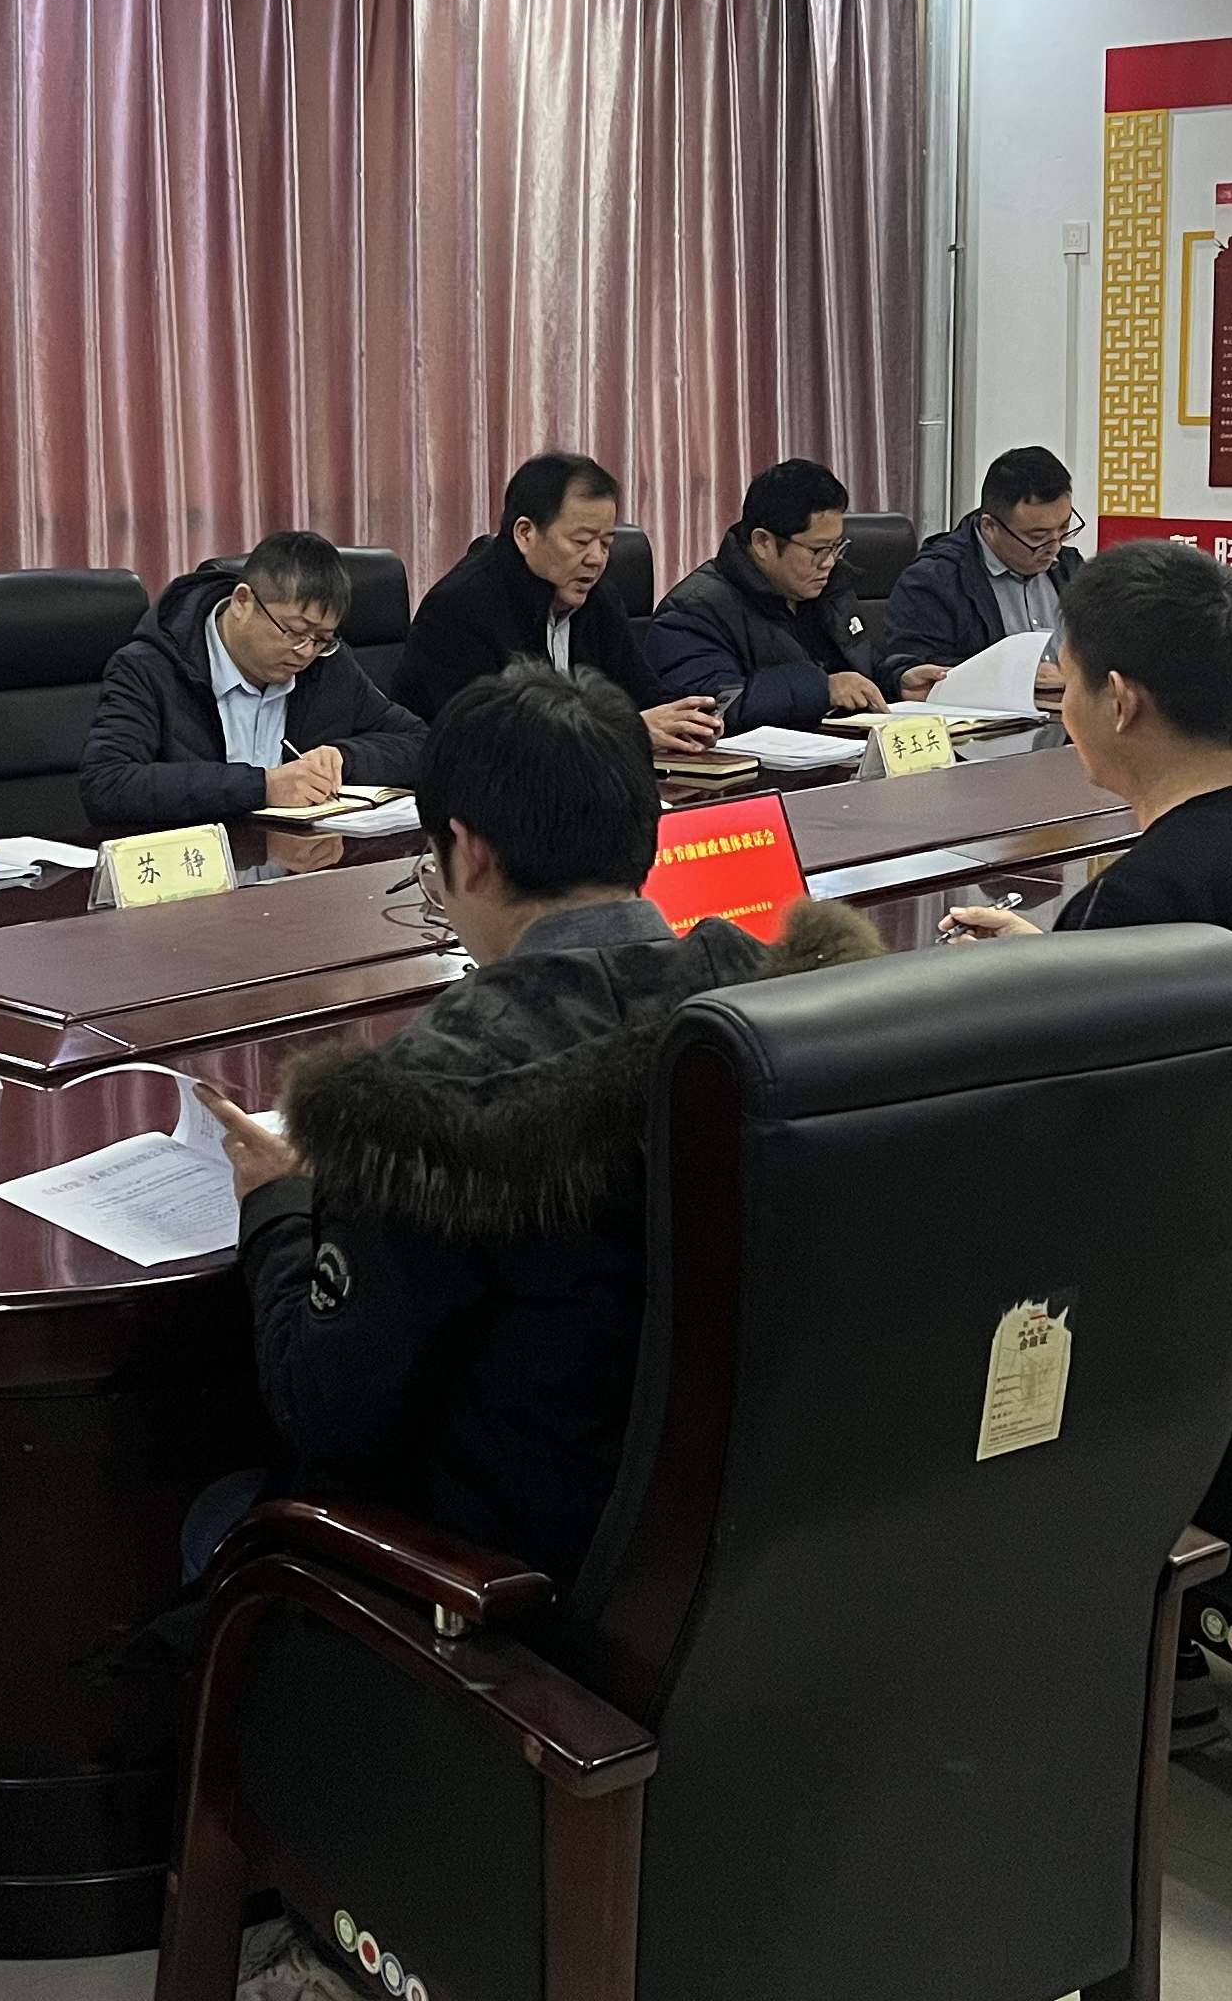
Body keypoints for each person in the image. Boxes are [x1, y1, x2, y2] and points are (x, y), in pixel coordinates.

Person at [192, 665, 873, 1582]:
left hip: (511, 1597)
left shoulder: (428, 1101)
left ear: (467, 852)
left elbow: (327, 1414)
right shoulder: (787, 1010)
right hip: (777, 1563)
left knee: (210, 1519)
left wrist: (279, 1205)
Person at [940, 543, 1232, 1302]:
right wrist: (1059, 959)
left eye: (1068, 684)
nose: (1063, 711)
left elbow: (1075, 1156)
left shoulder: (1144, 899)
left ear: (1119, 701)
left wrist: (1065, 967)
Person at [81, 530, 431, 828]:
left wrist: (345, 757)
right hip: (191, 871)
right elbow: (107, 785)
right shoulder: (149, 667)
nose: (305, 652)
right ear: (242, 601)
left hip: (298, 865)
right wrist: (262, 787)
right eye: (294, 631)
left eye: (321, 638)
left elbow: (421, 744)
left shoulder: (328, 665)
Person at [397, 451, 722, 758]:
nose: (596, 559)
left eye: (606, 543)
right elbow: (485, 738)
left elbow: (640, 693)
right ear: (525, 533)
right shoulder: (459, 608)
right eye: (581, 541)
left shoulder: (599, 599)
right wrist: (626, 730)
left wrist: (689, 719)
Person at [647, 459, 888, 730]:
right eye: (818, 550)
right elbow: (713, 709)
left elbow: (862, 666)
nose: (829, 562)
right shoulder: (692, 611)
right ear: (763, 542)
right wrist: (823, 688)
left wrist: (898, 679)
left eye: (836, 547)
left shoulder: (828, 589)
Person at [873, 444, 1084, 698]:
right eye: (1037, 536)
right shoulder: (934, 580)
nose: (1055, 547)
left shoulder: (1071, 568)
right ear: (989, 527)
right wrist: (1011, 676)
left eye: (1063, 529)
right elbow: (914, 669)